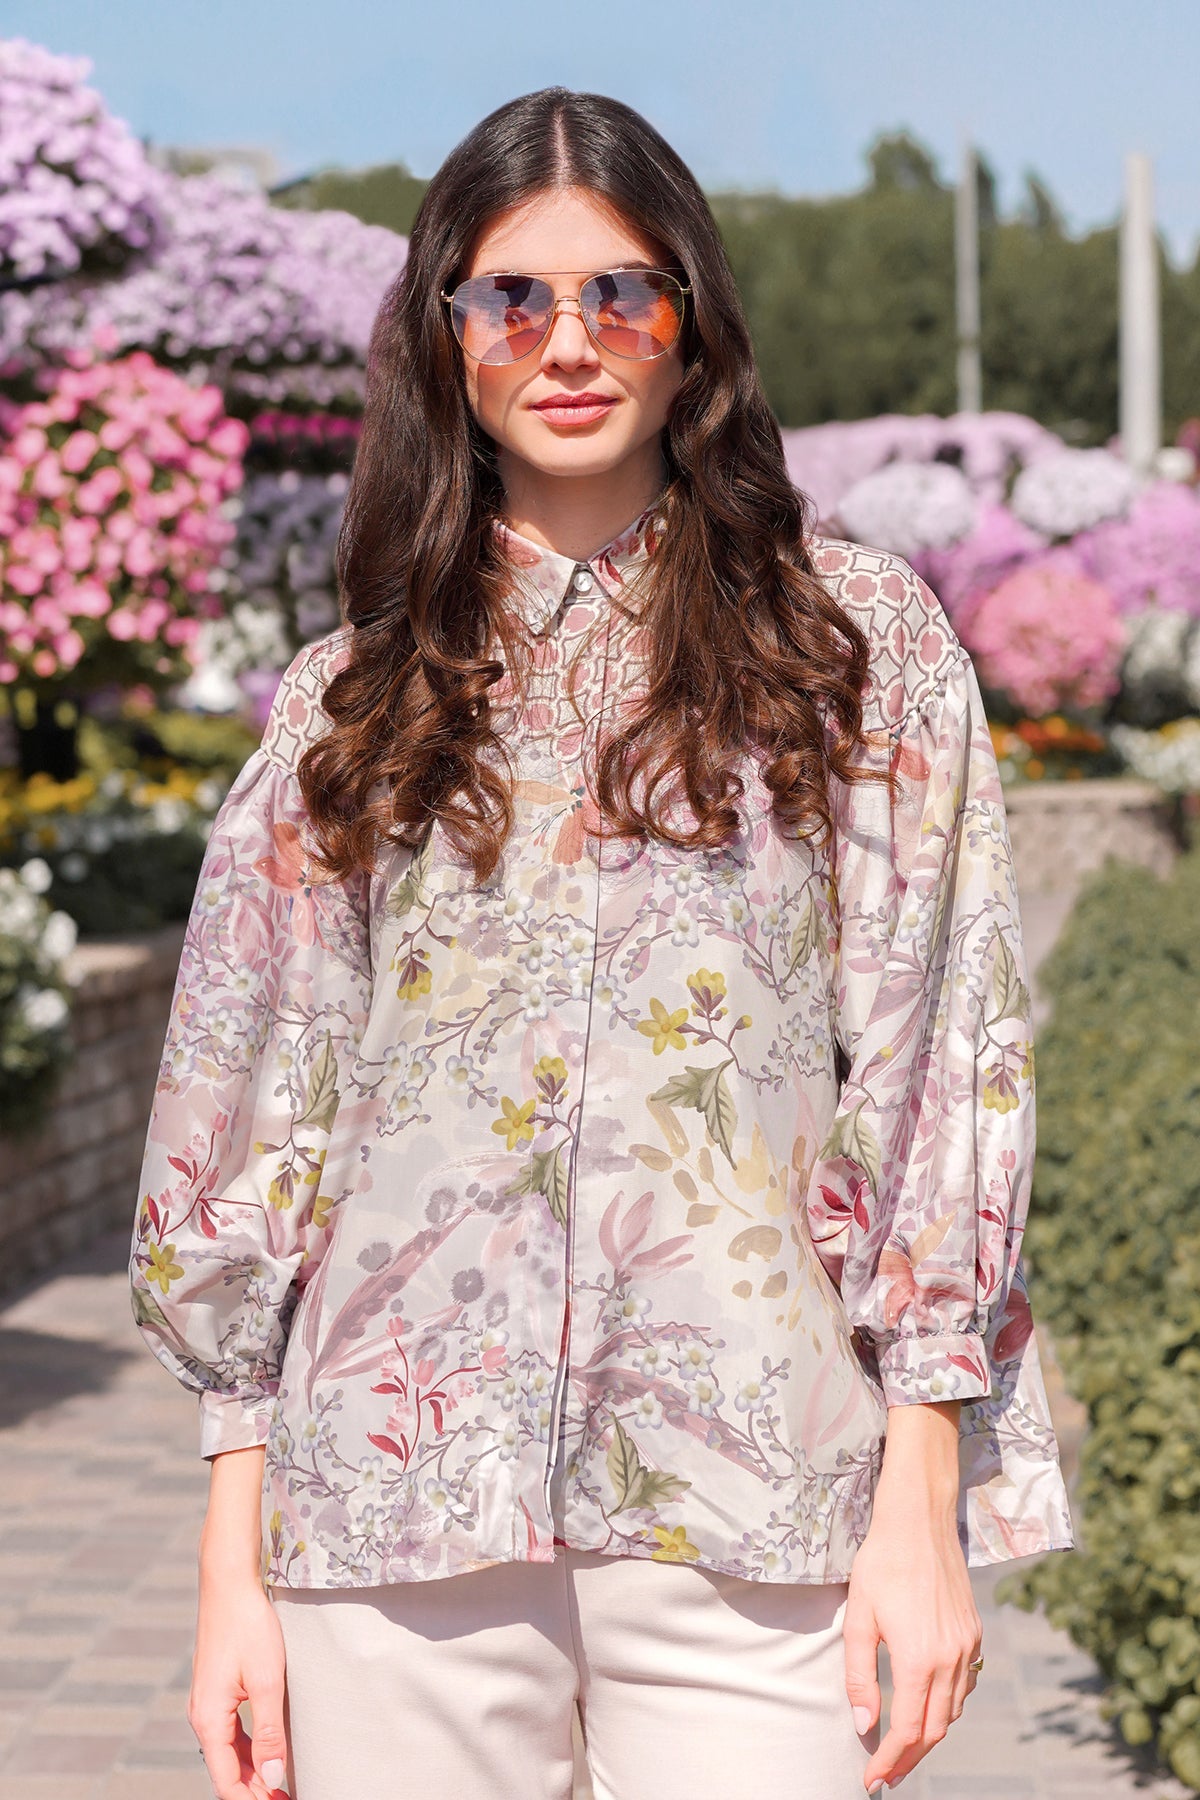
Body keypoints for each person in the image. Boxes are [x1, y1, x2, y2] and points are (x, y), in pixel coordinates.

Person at [128, 86, 1074, 1800]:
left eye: (620, 293)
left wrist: (924, 1494)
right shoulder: (351, 699)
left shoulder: (852, 650)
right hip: (390, 1519)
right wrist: (229, 1571)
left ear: (691, 324)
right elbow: (254, 1125)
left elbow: (947, 1069)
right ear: (447, 334)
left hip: (759, 1495)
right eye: (511, 297)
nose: (566, 341)